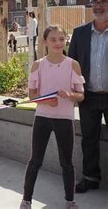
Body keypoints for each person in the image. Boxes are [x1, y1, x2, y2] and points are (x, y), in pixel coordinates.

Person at [20, 25, 85, 209]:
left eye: (61, 39)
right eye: (53, 39)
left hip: (65, 119)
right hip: (42, 117)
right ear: (45, 42)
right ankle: (26, 200)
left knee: (66, 163)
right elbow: (32, 95)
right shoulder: (38, 64)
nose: (58, 43)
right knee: (35, 161)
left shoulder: (73, 64)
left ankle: (70, 201)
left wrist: (70, 95)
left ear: (66, 40)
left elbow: (81, 95)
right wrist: (46, 102)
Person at [68, 0, 108, 193]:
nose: (99, 6)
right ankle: (90, 178)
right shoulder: (80, 33)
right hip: (88, 96)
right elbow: (72, 64)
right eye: (95, 2)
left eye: (104, 2)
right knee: (89, 139)